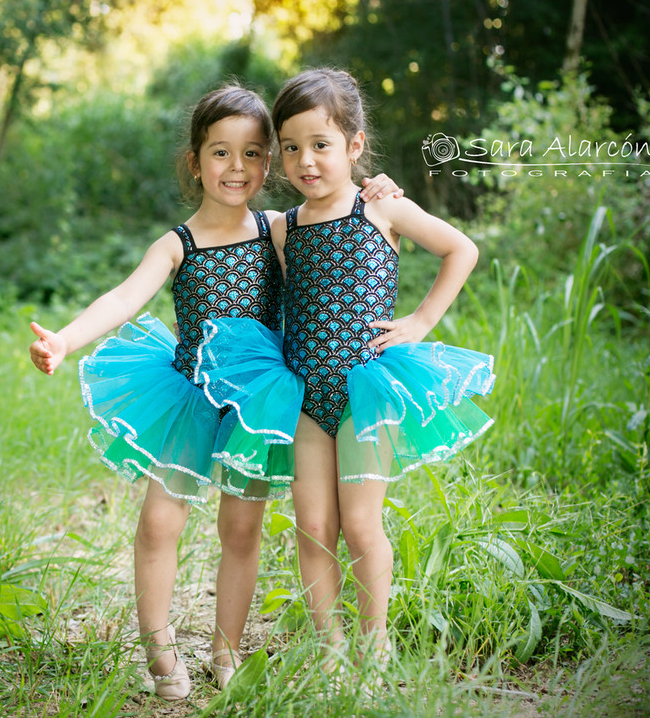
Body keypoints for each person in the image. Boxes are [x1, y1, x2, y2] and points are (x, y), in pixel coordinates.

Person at [28, 83, 402, 700]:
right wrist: (65, 340)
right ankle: (160, 652)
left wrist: (379, 189)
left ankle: (226, 650)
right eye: (221, 153)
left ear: (269, 162)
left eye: (253, 153)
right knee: (159, 523)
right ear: (195, 161)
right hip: (189, 396)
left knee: (242, 530)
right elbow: (123, 298)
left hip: (255, 406)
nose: (237, 167)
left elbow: (342, 222)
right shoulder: (177, 243)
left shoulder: (279, 229)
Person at [196, 68, 496, 679]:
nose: (306, 160)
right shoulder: (284, 227)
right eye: (291, 147)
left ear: (355, 145)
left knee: (359, 524)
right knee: (313, 525)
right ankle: (330, 650)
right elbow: (230, 236)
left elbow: (460, 249)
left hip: (367, 390)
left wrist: (420, 320)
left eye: (321, 144)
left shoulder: (379, 207)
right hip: (306, 396)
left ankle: (374, 645)